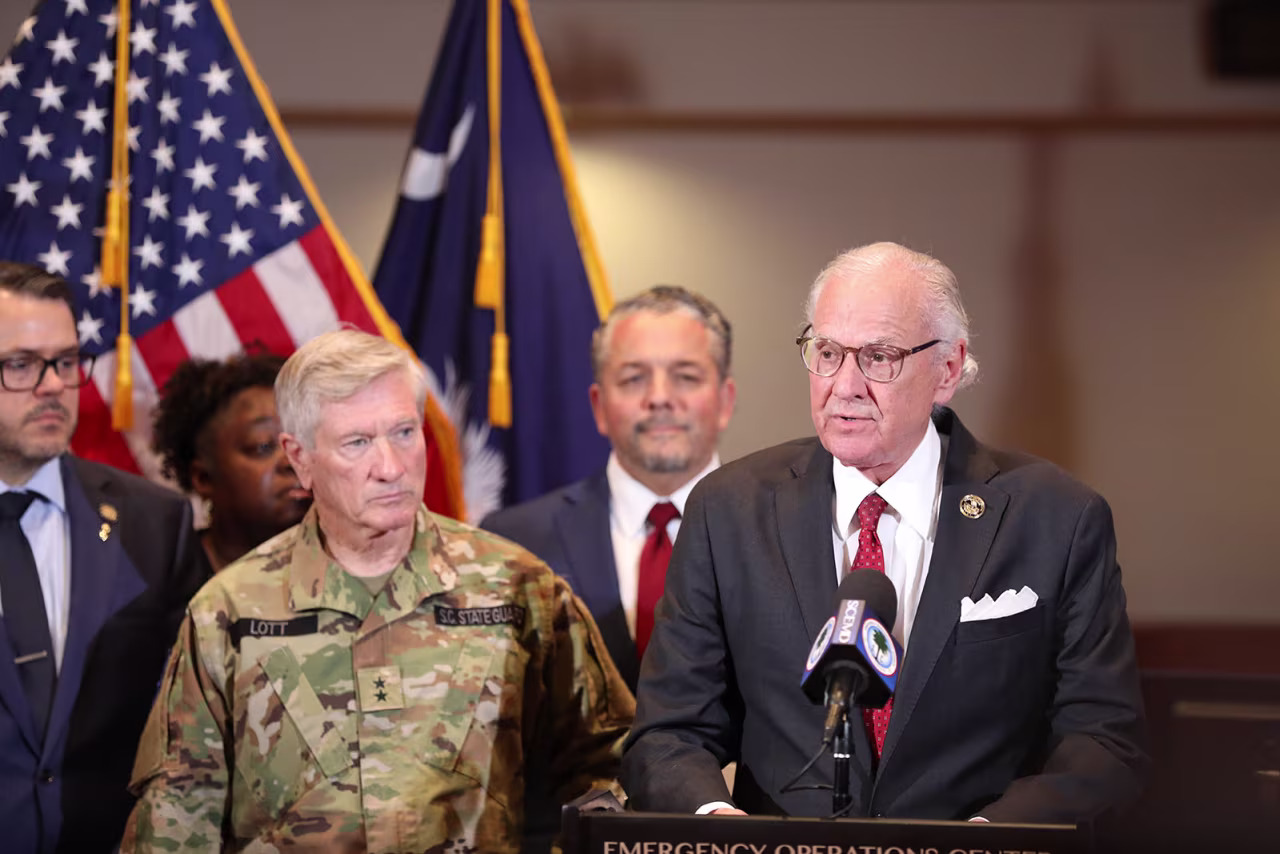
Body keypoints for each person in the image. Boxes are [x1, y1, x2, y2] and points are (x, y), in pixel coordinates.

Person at [621, 242, 1147, 824]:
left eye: (878, 357)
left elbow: (1102, 742)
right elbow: (668, 733)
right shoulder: (728, 511)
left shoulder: (1057, 518)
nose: (843, 385)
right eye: (827, 353)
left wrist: (986, 842)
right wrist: (723, 829)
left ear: (947, 369)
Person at [122, 328, 634, 853]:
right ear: (300, 458)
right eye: (357, 442)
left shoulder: (517, 588)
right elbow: (176, 815)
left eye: (405, 432)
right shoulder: (227, 612)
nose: (391, 467)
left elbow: (611, 767)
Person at [0, 262, 205, 853]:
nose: (52, 386)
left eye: (66, 362)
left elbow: (197, 724)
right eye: (21, 364)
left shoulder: (155, 522)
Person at [483, 285, 736, 691]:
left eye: (686, 377)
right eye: (634, 379)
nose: (659, 398)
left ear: (725, 401)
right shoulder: (512, 542)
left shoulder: (782, 531)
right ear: (599, 406)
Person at [151, 353, 312, 574]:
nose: (293, 461)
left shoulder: (347, 566)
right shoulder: (163, 582)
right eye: (263, 446)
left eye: (302, 442)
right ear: (203, 478)